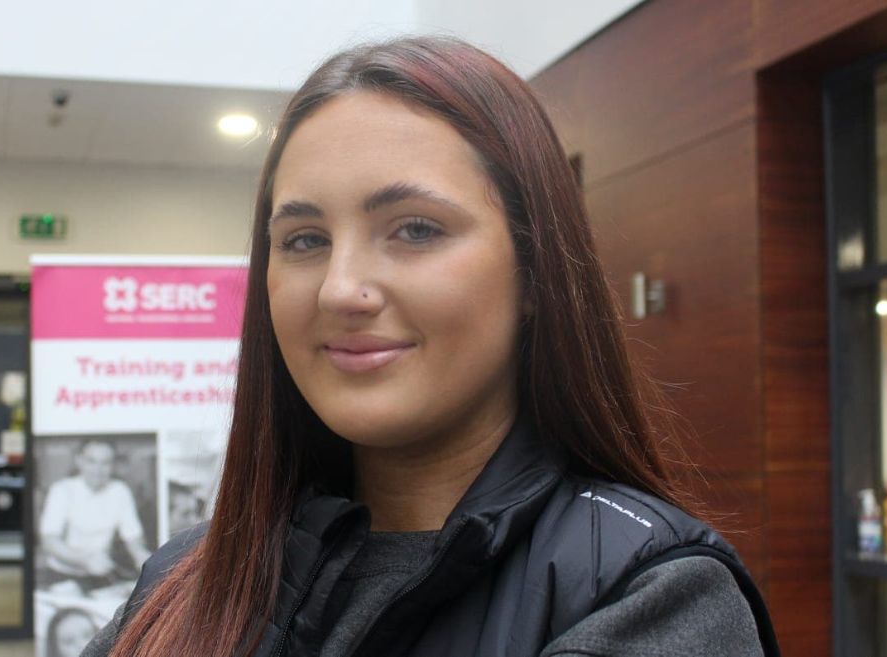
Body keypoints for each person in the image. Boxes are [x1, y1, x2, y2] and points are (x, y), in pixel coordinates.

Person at [84, 36, 780, 657]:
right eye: (304, 239)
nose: (340, 289)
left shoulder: (649, 597)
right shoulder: (189, 579)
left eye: (415, 229)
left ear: (536, 271)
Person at [39, 440, 151, 591]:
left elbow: (132, 538)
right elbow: (50, 541)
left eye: (105, 463)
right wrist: (84, 559)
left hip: (101, 576)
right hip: (61, 576)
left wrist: (142, 558)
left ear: (113, 465)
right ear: (79, 461)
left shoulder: (120, 491)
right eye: (91, 461)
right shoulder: (62, 490)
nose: (98, 469)